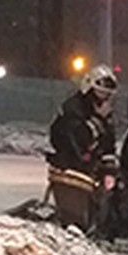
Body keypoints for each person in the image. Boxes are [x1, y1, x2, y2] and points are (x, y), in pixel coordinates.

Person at [47, 63, 119, 234]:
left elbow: (109, 143)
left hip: (91, 164)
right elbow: (77, 140)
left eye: (107, 95)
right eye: (101, 93)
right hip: (71, 164)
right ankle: (78, 224)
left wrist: (110, 168)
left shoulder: (103, 112)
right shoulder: (74, 109)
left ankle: (105, 226)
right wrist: (97, 122)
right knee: (76, 203)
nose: (104, 98)